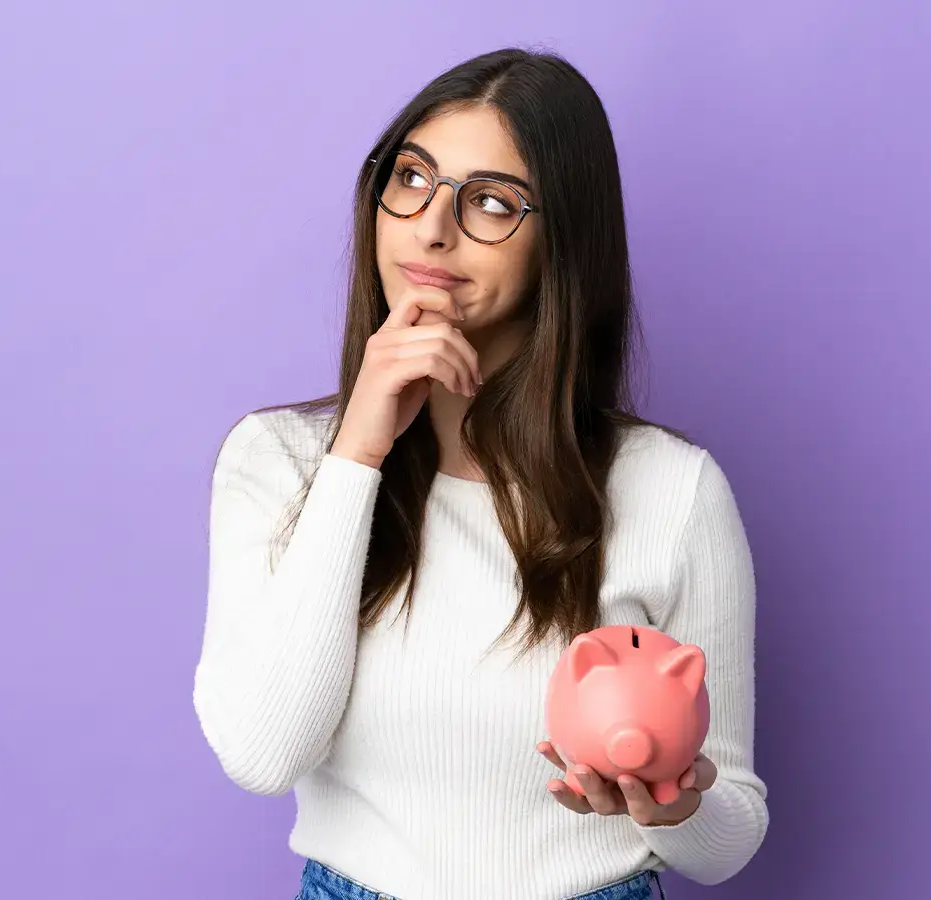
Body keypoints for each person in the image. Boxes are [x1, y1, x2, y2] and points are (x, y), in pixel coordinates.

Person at [192, 48, 767, 900]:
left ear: (561, 245)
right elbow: (264, 752)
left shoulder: (669, 490)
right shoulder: (276, 461)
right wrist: (358, 450)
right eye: (412, 179)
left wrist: (671, 805)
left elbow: (728, 841)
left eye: (492, 202)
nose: (432, 226)